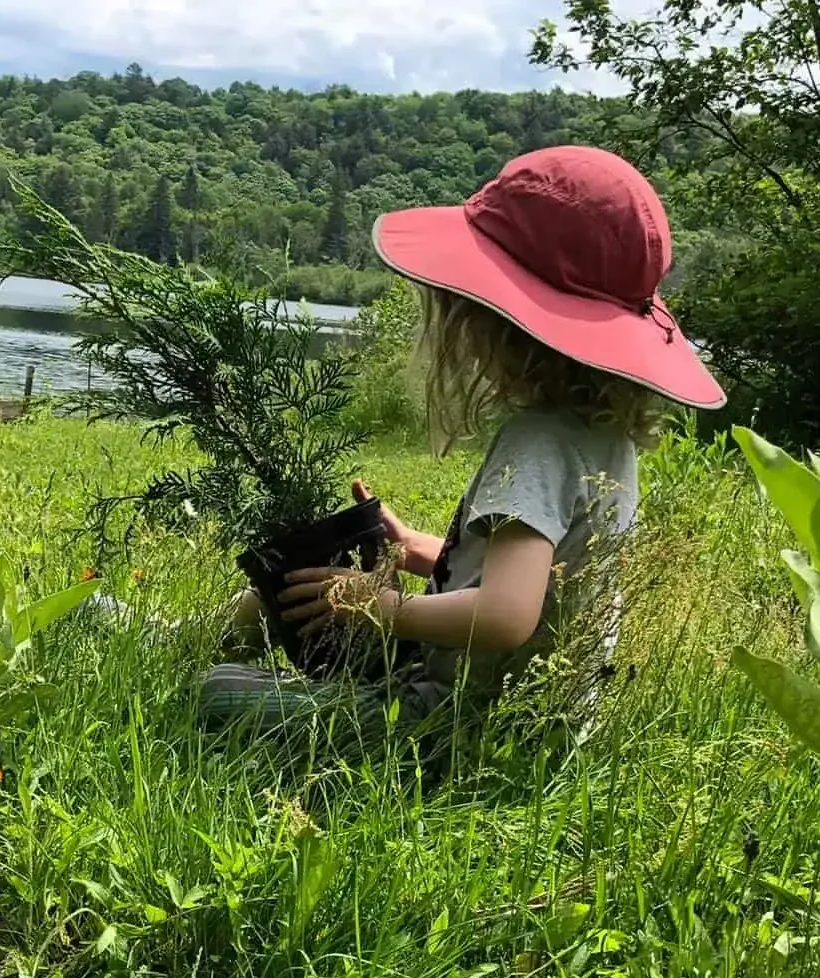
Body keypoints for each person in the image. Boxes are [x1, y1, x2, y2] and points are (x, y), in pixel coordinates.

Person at [200, 145, 726, 741]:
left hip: (461, 722)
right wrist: (413, 548)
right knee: (285, 595)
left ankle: (188, 650)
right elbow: (531, 574)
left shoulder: (539, 443)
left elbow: (504, 615)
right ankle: (180, 633)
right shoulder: (602, 436)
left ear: (499, 323)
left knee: (218, 693)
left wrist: (381, 608)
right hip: (533, 714)